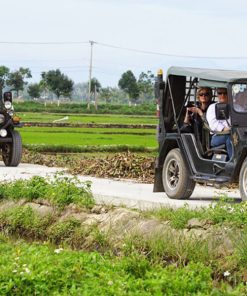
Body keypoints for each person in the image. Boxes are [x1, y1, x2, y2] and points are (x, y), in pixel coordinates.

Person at [206, 88, 233, 159]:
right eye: (220, 93)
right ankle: (234, 163)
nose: (222, 95)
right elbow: (213, 125)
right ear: (217, 94)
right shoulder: (212, 107)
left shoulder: (235, 107)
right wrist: (226, 129)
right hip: (218, 135)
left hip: (235, 133)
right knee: (232, 139)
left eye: (225, 93)